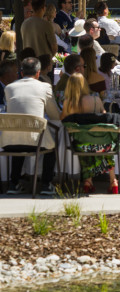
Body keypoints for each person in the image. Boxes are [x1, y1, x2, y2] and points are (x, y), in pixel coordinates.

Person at [1, 57, 61, 195]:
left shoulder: (9, 88)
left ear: (21, 73)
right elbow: (54, 115)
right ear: (38, 73)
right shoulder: (45, 87)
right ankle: (46, 184)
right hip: (36, 142)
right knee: (52, 144)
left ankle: (13, 182)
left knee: (19, 135)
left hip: (9, 142)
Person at [61, 72, 119, 194]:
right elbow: (105, 118)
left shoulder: (68, 102)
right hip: (102, 143)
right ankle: (113, 180)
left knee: (85, 144)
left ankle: (88, 182)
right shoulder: (95, 99)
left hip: (82, 145)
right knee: (103, 145)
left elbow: (63, 119)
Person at [21, 0, 57, 67]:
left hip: (28, 61)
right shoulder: (46, 24)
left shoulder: (24, 23)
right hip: (43, 63)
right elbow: (54, 46)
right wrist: (50, 57)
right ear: (43, 8)